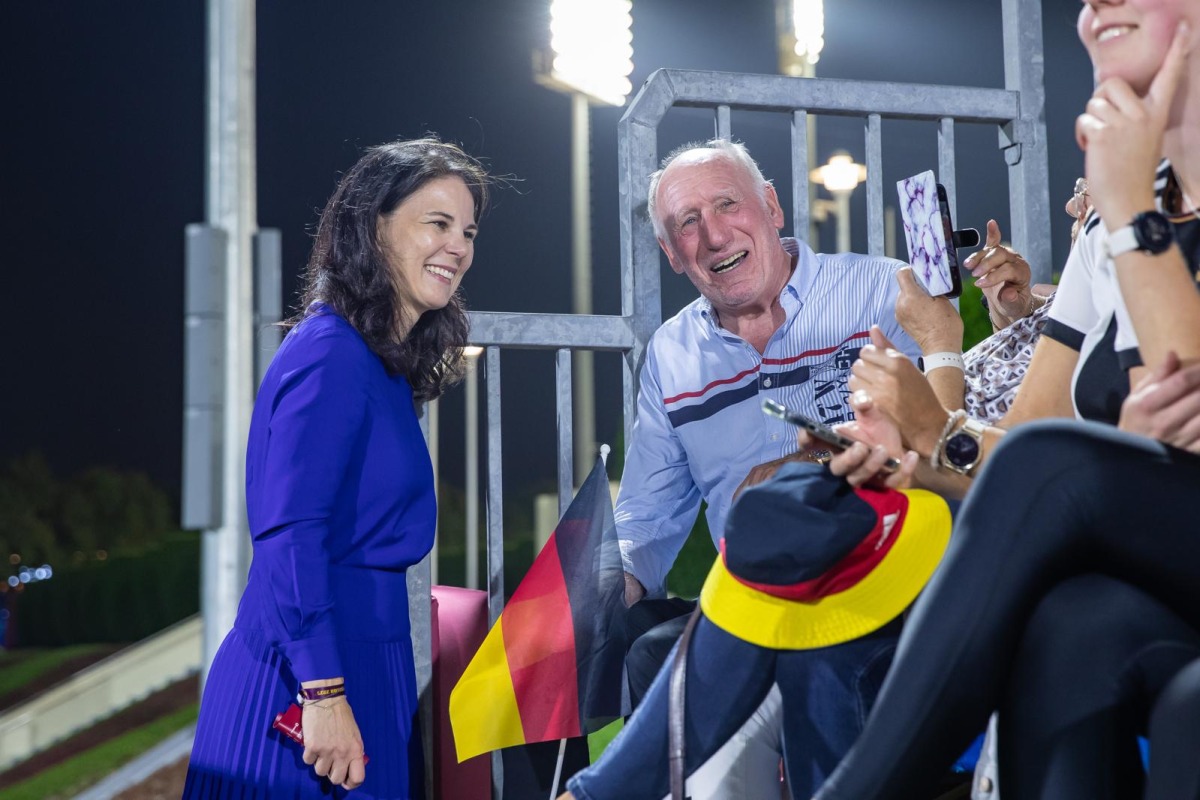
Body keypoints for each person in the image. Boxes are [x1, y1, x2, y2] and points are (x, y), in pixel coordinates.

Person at [808, 2, 1200, 796]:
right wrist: (918, 458)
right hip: (1153, 551)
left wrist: (1128, 207)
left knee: (1064, 464)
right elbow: (1025, 454)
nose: (1096, 9)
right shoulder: (1110, 224)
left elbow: (1175, 400)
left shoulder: (1122, 206)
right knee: (1072, 625)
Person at [611, 138, 921, 796]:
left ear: (772, 207)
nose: (714, 233)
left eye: (728, 205)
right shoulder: (672, 352)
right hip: (748, 595)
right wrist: (602, 590)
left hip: (871, 576)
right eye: (686, 223)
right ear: (670, 253)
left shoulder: (879, 291)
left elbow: (944, 435)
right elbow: (645, 515)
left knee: (819, 656)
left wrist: (801, 466)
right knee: (632, 640)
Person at [183, 138, 490, 799]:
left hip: (366, 668)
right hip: (302, 684)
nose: (458, 246)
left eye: (467, 230)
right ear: (373, 226)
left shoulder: (381, 367)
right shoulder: (329, 354)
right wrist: (322, 692)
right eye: (436, 224)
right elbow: (291, 534)